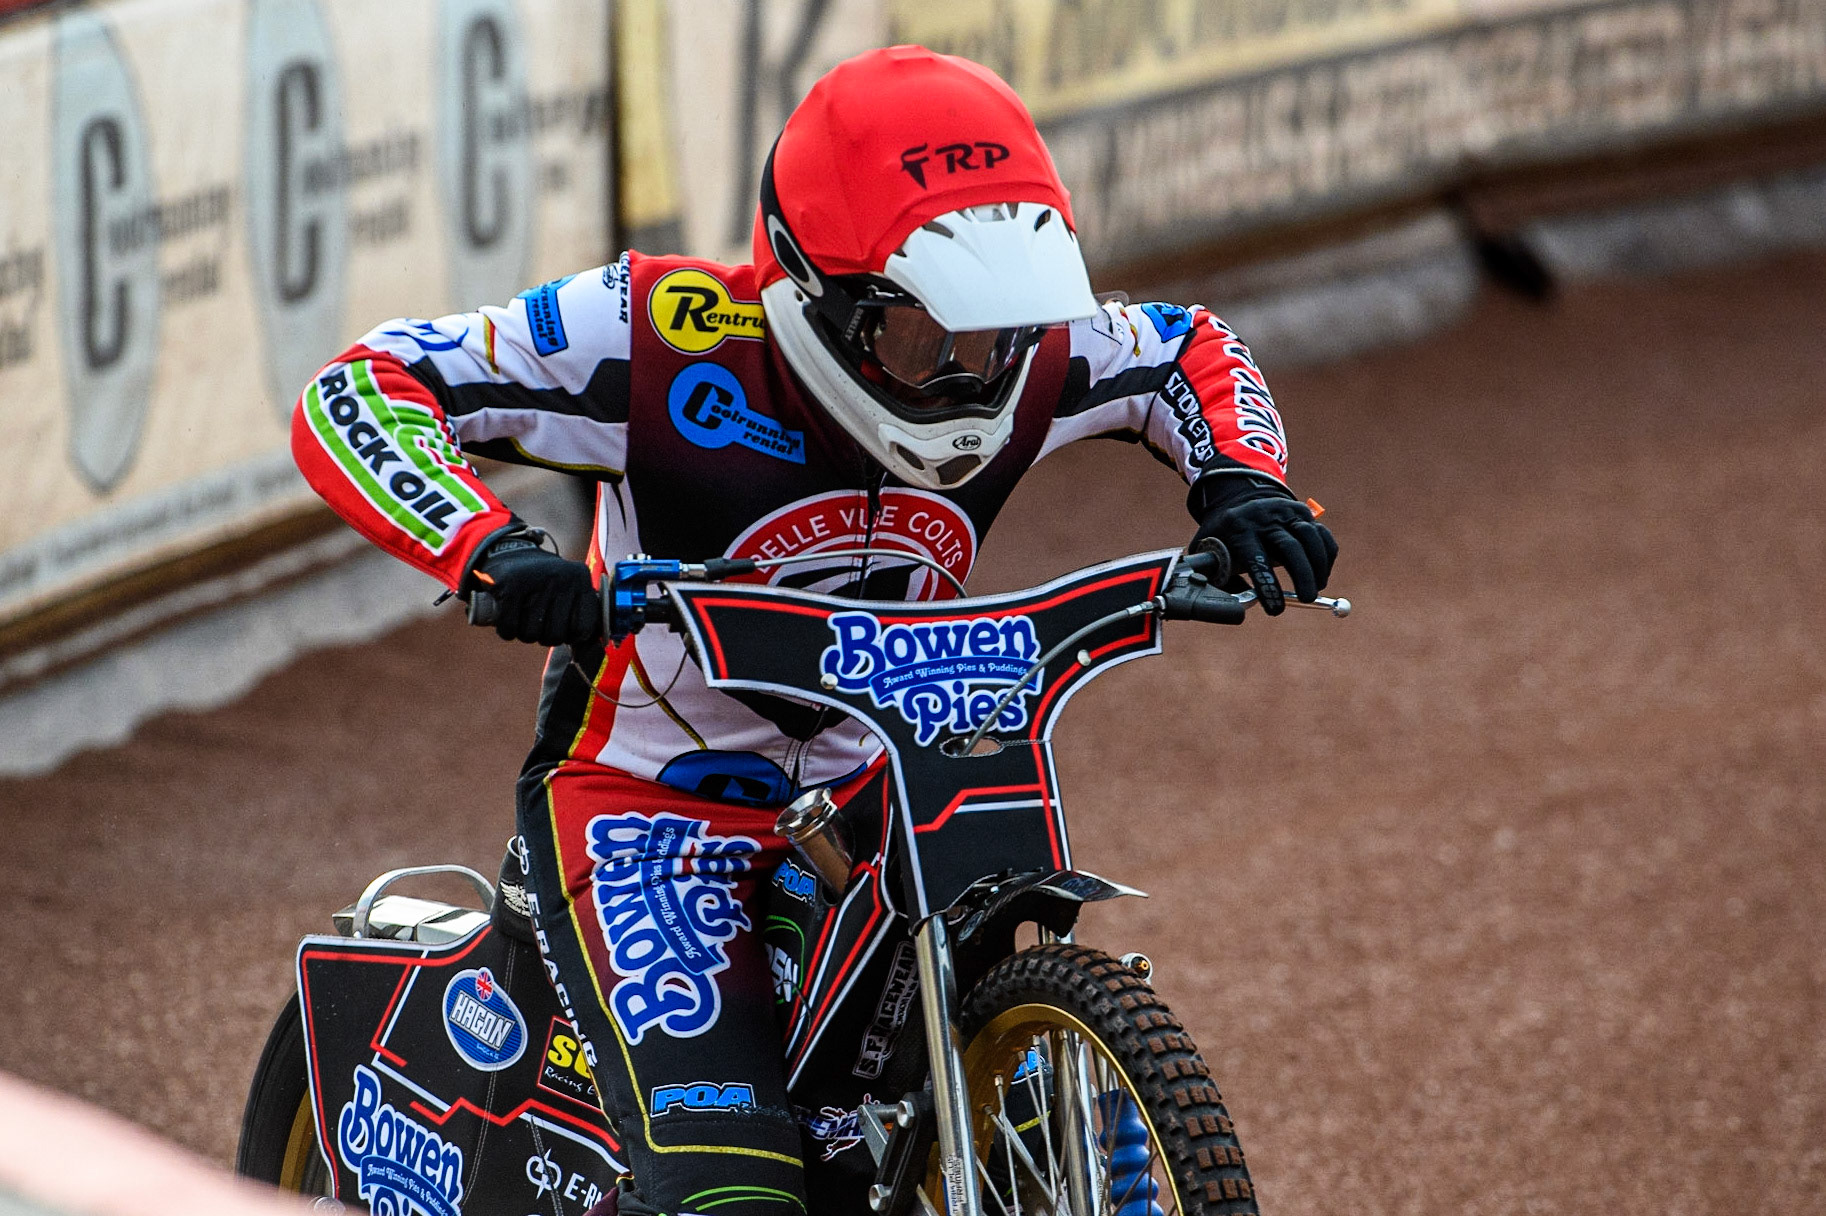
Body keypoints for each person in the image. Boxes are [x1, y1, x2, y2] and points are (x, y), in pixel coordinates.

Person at [292, 44, 1334, 1216]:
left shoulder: (1037, 346)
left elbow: (1188, 344)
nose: (972, 377)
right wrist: (489, 546)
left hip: (890, 781)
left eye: (995, 336)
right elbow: (358, 387)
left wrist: (1243, 483)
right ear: (812, 293)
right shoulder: (654, 333)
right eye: (922, 342)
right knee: (738, 1189)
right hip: (642, 801)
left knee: (1018, 1096)